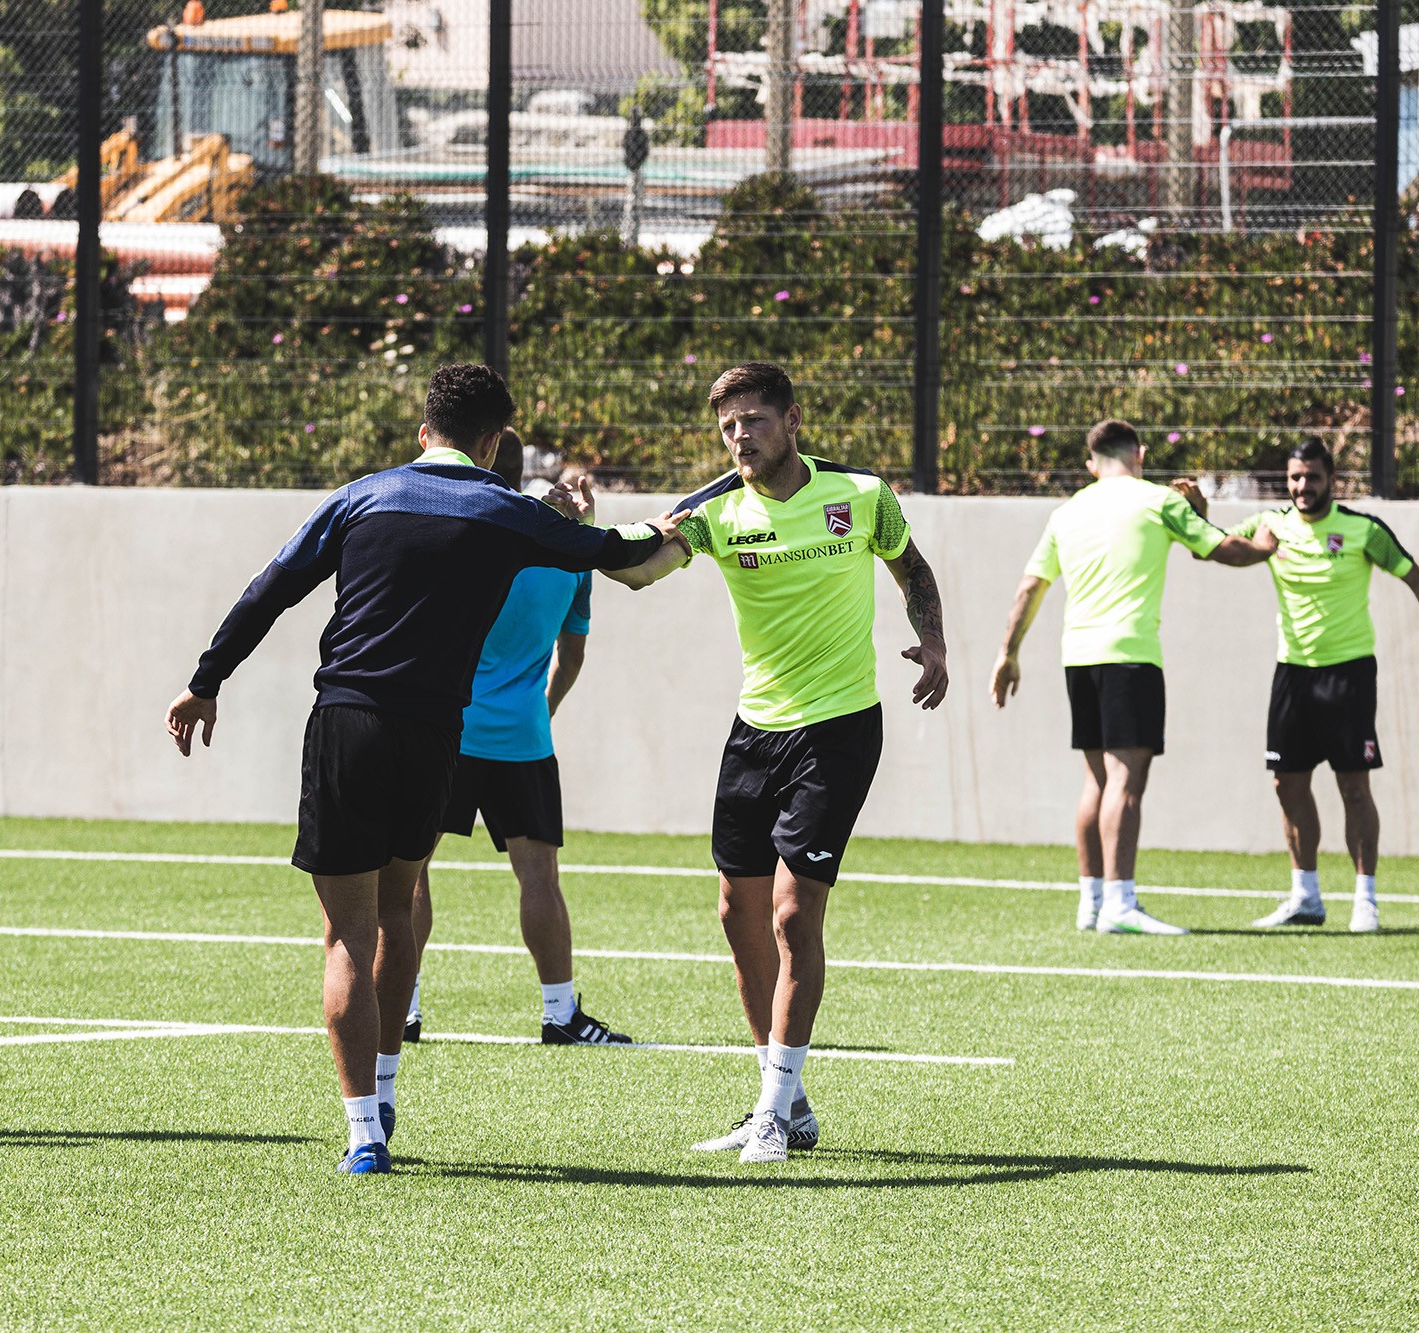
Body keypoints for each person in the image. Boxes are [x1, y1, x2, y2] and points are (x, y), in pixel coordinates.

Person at [163, 365, 685, 1175]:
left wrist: (206, 681)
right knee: (397, 911)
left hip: (350, 724)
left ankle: (363, 1132)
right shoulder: (510, 511)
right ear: (493, 443)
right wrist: (664, 527)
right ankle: (385, 1091)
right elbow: (614, 551)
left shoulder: (361, 497)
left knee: (346, 931)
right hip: (437, 734)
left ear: (422, 431)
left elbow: (270, 589)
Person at [583, 361, 948, 1165]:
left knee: (792, 914)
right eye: (727, 427)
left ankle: (772, 1115)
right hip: (754, 731)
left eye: (752, 420)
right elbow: (639, 572)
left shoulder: (862, 494)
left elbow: (912, 567)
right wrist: (589, 535)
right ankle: (787, 1101)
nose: (739, 437)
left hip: (839, 727)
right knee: (735, 910)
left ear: (793, 420)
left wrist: (935, 642)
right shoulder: (715, 512)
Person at [988, 418, 1276, 936]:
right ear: (1140, 454)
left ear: (1090, 464)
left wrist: (1008, 653)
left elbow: (1029, 587)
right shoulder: (1159, 501)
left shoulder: (1067, 512)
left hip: (1078, 658)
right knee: (1125, 782)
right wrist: (1264, 548)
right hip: (1130, 657)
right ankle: (1120, 903)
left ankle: (1092, 902)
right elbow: (1220, 548)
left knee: (1097, 780)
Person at [407, 440, 631, 1047]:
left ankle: (403, 1008)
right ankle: (560, 1014)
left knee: (409, 871)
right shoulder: (570, 553)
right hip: (523, 737)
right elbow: (572, 654)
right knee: (539, 877)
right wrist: (542, 710)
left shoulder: (465, 538)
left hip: (448, 729)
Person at [1230, 439, 1419, 932]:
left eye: (1312, 477)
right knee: (1286, 784)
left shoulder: (1363, 530)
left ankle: (1365, 901)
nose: (1302, 486)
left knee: (1354, 788)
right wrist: (1199, 515)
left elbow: (1416, 576)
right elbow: (1219, 548)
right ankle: (1306, 897)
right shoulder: (1271, 524)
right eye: (1295, 477)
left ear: (1331, 480)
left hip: (1349, 676)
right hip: (1292, 675)